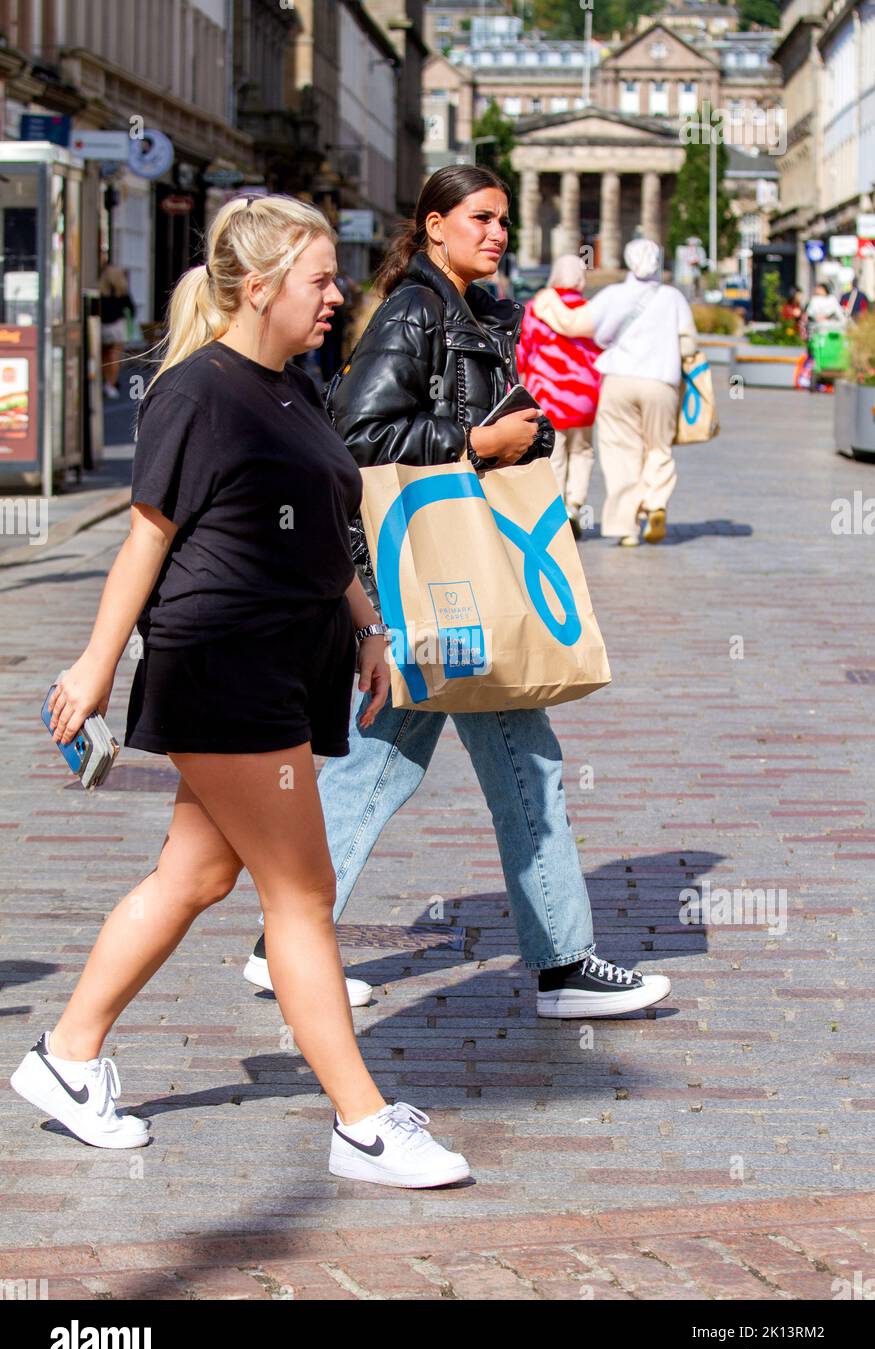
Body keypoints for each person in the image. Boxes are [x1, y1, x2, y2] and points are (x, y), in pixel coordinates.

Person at [10, 194, 471, 1190]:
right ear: (255, 288)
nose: (336, 295)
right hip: (221, 664)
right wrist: (95, 667)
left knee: (196, 874)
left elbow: (318, 521)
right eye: (318, 279)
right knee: (300, 896)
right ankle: (361, 1121)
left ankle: (67, 1056)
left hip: (285, 661)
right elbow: (148, 534)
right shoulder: (195, 392)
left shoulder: (290, 384)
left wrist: (364, 626)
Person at [244, 165, 672, 1021]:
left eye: (503, 220)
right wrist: (477, 440)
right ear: (433, 225)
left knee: (384, 766)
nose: (496, 233)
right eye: (478, 218)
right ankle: (560, 967)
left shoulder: (470, 308)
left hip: (446, 584)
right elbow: (356, 436)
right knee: (507, 759)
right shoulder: (415, 309)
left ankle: (279, 949)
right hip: (433, 585)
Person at [532, 237, 696, 548]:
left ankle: (626, 528)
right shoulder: (673, 298)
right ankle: (656, 504)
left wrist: (548, 301)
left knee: (621, 451)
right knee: (658, 447)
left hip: (619, 379)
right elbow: (688, 343)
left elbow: (573, 324)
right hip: (662, 381)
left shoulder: (614, 294)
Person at [518, 253, 602, 538]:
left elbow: (522, 351)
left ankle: (554, 510)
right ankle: (574, 506)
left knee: (553, 452)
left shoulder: (535, 308)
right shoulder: (590, 310)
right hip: (585, 395)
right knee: (582, 451)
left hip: (548, 393)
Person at [99, 264, 135, 400]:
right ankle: (111, 384)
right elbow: (132, 310)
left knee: (104, 356)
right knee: (115, 357)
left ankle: (105, 381)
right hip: (118, 326)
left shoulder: (102, 293)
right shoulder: (122, 293)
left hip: (103, 326)